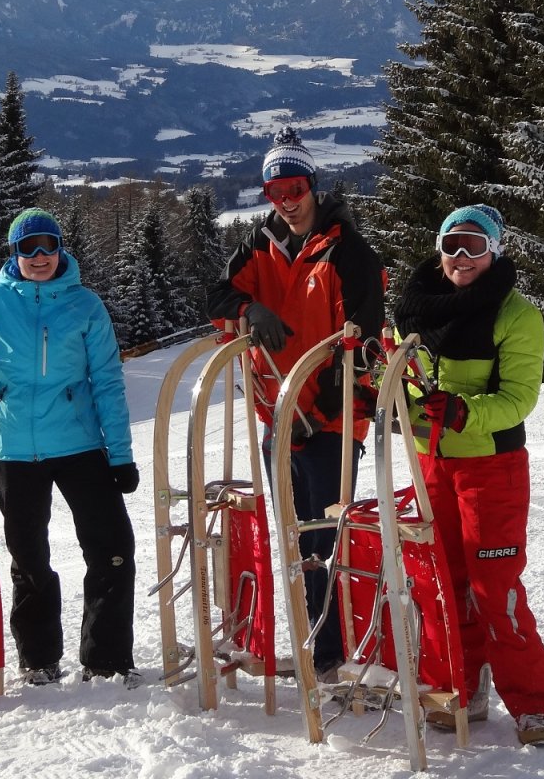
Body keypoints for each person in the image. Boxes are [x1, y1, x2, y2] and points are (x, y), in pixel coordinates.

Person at [0, 208, 141, 689]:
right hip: (15, 450)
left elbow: (108, 382)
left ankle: (106, 659)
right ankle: (39, 658)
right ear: (15, 253)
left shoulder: (85, 306)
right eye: (29, 248)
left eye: (49, 245)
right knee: (28, 558)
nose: (40, 256)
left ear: (61, 248)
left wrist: (120, 455)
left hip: (79, 444)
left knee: (112, 550)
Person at [207, 127, 384, 681]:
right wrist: (247, 309)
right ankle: (315, 646)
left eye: (296, 188)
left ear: (312, 185)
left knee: (325, 538)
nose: (287, 200)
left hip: (331, 419)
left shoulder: (347, 251)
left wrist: (325, 410)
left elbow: (364, 342)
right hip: (277, 412)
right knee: (292, 535)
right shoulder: (260, 245)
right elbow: (216, 294)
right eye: (275, 191)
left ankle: (336, 651)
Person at [392, 203, 544, 747]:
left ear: (495, 251)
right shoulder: (413, 310)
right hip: (431, 463)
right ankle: (458, 689)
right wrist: (387, 395)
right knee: (441, 582)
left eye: (475, 246)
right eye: (452, 245)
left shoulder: (516, 315)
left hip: (492, 466)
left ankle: (533, 703)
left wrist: (464, 411)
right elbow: (401, 378)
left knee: (494, 586)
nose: (462, 257)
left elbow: (519, 398)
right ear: (438, 249)